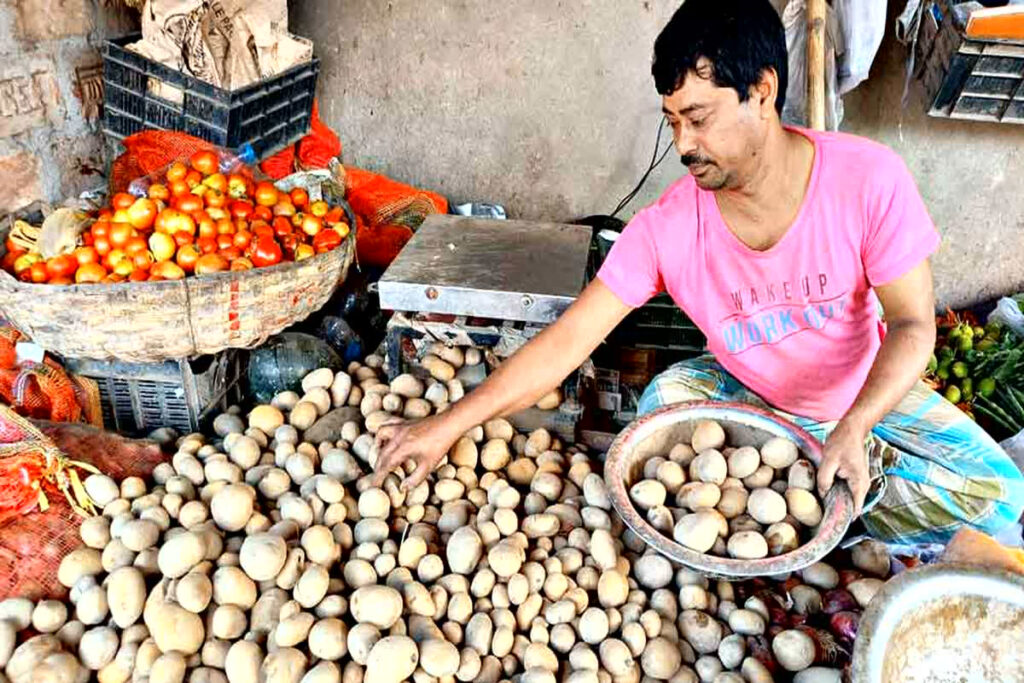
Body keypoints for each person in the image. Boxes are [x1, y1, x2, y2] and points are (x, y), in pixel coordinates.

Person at [374, 0, 1024, 545]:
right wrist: (448, 424)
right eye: (672, 120)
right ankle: (817, 505)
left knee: (1002, 496)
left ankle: (838, 489)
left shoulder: (868, 179)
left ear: (763, 92)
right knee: (659, 412)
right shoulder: (669, 227)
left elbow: (913, 325)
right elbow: (568, 341)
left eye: (700, 118)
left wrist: (854, 426)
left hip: (861, 395)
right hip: (746, 395)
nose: (684, 144)